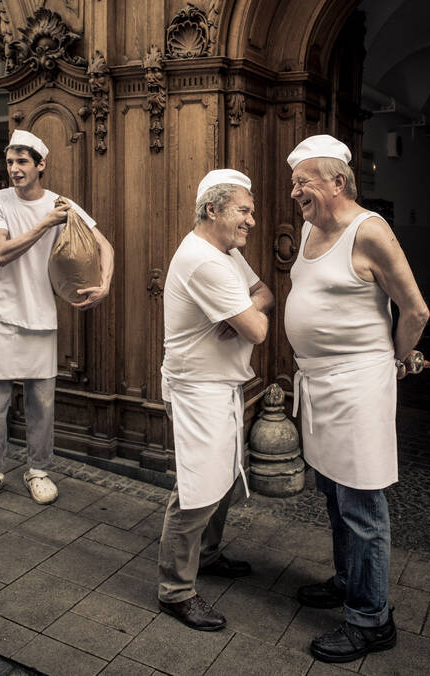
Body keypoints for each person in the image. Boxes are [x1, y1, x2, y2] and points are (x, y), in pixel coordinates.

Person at [284, 134, 430, 664]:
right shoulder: (309, 229)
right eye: (293, 183)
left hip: (358, 385)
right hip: (320, 383)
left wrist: (396, 360)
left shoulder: (370, 231)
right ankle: (349, 581)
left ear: (338, 182)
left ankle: (371, 620)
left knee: (362, 503)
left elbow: (415, 310)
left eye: (303, 182)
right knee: (333, 491)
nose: (294, 192)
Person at [0, 129, 114, 511]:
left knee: (42, 403)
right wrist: (46, 224)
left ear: (40, 164)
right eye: (9, 162)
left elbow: (104, 245)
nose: (14, 169)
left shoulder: (62, 204)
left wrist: (104, 285)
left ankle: (38, 470)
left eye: (22, 162)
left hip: (41, 315)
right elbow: (0, 253)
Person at [158, 169, 274, 631]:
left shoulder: (226, 253)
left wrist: (245, 309)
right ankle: (175, 591)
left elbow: (264, 295)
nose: (251, 221)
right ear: (213, 209)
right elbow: (259, 330)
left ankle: (206, 555)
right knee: (196, 491)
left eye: (251, 212)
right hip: (197, 388)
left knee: (221, 481)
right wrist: (245, 316)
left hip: (220, 385)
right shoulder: (203, 260)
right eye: (244, 210)